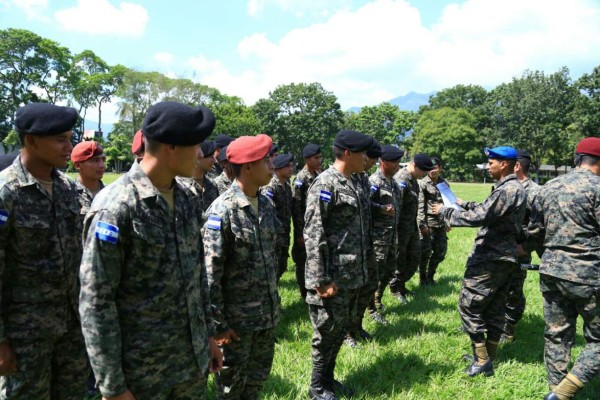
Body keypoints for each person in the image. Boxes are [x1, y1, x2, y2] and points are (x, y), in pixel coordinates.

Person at [79, 101, 222, 399]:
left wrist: (208, 336)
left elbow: (197, 277)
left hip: (189, 364)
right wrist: (112, 385)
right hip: (142, 374)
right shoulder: (116, 207)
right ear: (171, 147)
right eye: (195, 145)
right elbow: (96, 301)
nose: (200, 154)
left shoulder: (185, 198)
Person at [0, 102, 89, 399]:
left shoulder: (71, 190)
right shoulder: (6, 193)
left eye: (70, 137)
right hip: (25, 334)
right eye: (61, 139)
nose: (69, 146)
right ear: (32, 140)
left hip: (72, 328)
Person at [432, 146, 526, 378]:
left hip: (490, 257)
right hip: (504, 258)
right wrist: (465, 204)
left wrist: (446, 212)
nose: (487, 166)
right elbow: (488, 210)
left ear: (504, 164)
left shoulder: (507, 190)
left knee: (469, 305)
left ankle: (482, 359)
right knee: (494, 306)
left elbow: (480, 217)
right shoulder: (512, 188)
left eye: (491, 162)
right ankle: (490, 354)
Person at [203, 134, 280, 400]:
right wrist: (219, 325)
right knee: (230, 391)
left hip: (265, 319)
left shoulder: (267, 205)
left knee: (256, 385)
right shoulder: (222, 211)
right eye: (267, 159)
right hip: (235, 327)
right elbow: (210, 275)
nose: (273, 164)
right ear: (247, 165)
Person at [304, 130, 373, 400]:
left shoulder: (353, 181)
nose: (367, 158)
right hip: (332, 276)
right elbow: (314, 234)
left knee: (339, 329)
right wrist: (320, 279)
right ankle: (317, 386)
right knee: (326, 333)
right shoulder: (325, 184)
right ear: (347, 153)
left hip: (351, 274)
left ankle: (328, 380)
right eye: (362, 153)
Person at [535, 137, 600, 400]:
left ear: (577, 159)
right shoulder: (597, 188)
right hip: (587, 273)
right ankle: (563, 393)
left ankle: (555, 389)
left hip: (550, 270)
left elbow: (534, 229)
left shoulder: (549, 186)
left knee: (556, 334)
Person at [500, 150, 540, 343]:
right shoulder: (507, 186)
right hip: (501, 247)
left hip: (518, 250)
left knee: (513, 289)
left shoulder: (534, 191)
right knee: (497, 286)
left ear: (517, 166)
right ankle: (493, 323)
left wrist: (525, 247)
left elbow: (540, 225)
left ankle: (508, 330)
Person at [346, 139, 381, 347]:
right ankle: (346, 333)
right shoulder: (346, 178)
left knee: (367, 287)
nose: (368, 162)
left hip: (366, 244)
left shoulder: (362, 178)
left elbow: (366, 203)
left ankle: (356, 325)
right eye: (367, 158)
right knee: (350, 295)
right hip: (349, 250)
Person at [389, 154, 434, 304]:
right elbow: (396, 206)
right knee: (399, 260)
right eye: (423, 171)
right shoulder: (401, 180)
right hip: (400, 229)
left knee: (414, 258)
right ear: (414, 165)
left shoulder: (413, 180)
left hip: (411, 227)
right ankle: (395, 289)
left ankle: (401, 285)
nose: (425, 174)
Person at [369, 145, 403, 317]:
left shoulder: (393, 182)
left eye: (398, 162)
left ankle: (378, 298)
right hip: (378, 237)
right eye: (393, 162)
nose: (397, 166)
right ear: (382, 162)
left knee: (389, 270)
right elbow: (364, 204)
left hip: (391, 236)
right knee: (375, 272)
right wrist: (380, 208)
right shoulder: (374, 182)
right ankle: (371, 307)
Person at [291, 143, 323, 300]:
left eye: (320, 157)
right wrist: (299, 233)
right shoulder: (300, 179)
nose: (320, 160)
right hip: (305, 229)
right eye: (316, 158)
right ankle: (304, 294)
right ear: (307, 159)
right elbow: (296, 208)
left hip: (316, 226)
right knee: (302, 261)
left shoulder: (317, 176)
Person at [417, 157, 450, 285]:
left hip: (441, 223)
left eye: (435, 167)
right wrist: (422, 224)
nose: (432, 170)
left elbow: (448, 203)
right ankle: (423, 279)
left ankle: (431, 276)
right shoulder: (422, 184)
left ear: (440, 168)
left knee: (440, 252)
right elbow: (420, 206)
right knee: (425, 253)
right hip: (428, 223)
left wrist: (448, 221)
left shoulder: (444, 183)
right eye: (430, 168)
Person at [261, 153, 294, 281]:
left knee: (281, 266)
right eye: (287, 166)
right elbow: (267, 210)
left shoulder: (286, 186)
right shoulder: (270, 187)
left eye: (291, 166)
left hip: (284, 233)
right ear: (278, 168)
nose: (291, 169)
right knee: (272, 267)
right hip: (274, 234)